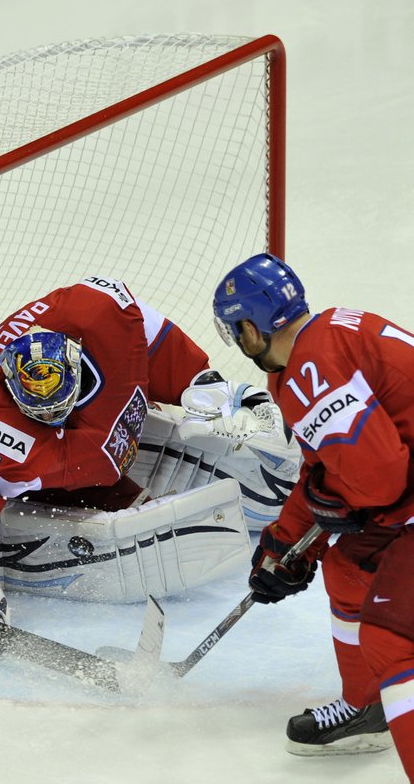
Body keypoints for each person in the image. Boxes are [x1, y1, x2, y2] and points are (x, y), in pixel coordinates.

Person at [0, 274, 282, 663]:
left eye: (60, 407)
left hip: (87, 426)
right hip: (35, 460)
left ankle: (118, 471)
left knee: (98, 446)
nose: (53, 416)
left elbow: (148, 332)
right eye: (43, 413)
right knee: (50, 465)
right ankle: (75, 501)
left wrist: (203, 381)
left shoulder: (105, 315)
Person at [213, 252, 414, 770]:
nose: (238, 341)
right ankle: (366, 707)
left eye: (236, 329)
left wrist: (335, 505)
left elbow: (378, 480)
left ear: (253, 327)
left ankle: (379, 698)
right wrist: (287, 541)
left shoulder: (311, 370)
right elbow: (327, 469)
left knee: (389, 636)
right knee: (349, 571)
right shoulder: (319, 342)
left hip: (405, 486)